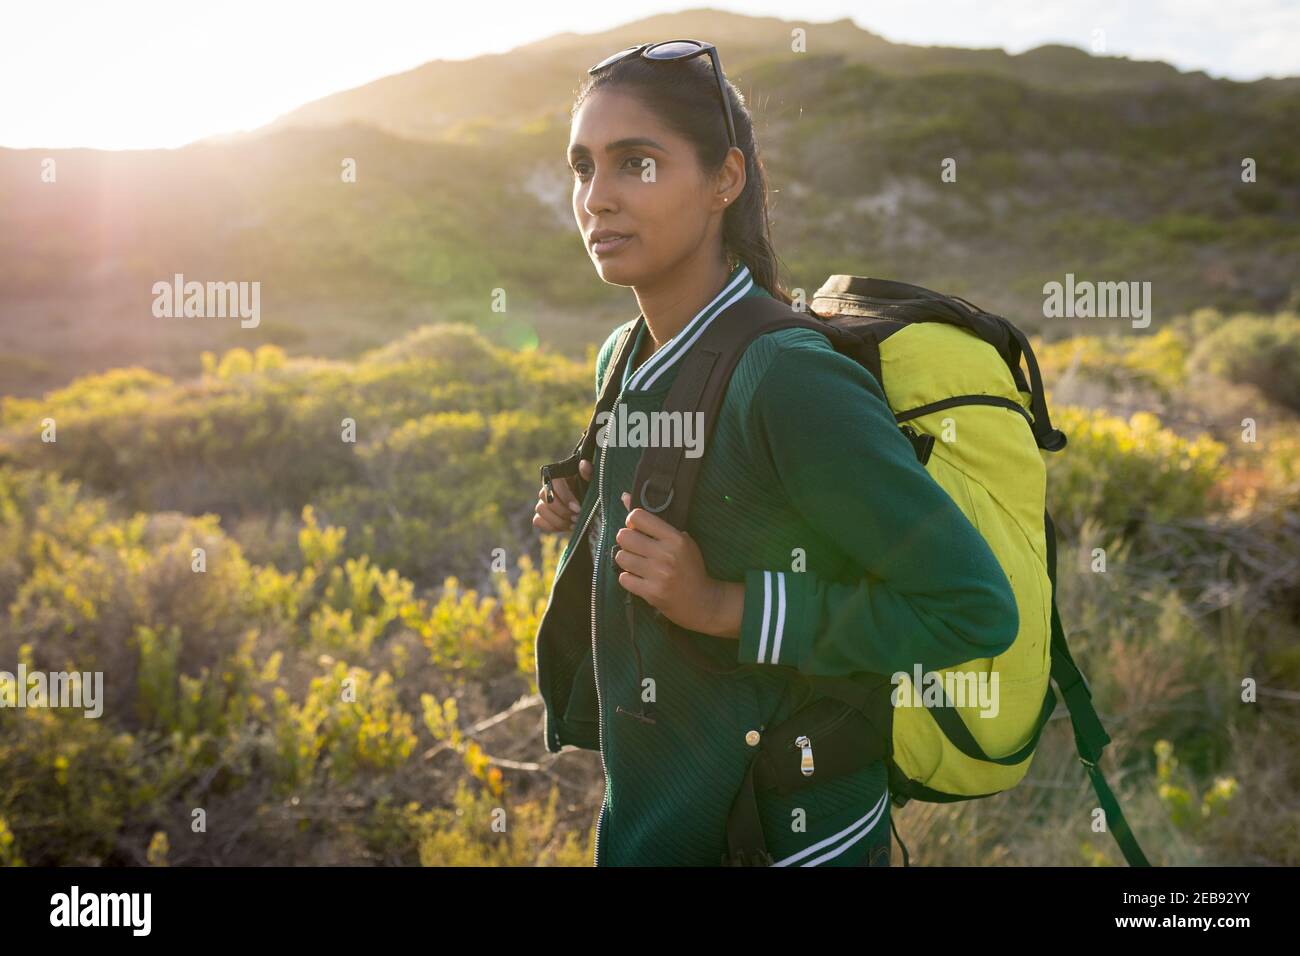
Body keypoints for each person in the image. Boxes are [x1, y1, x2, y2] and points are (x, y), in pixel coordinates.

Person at [532, 40, 1019, 866]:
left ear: (725, 179)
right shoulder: (626, 351)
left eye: (636, 164)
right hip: (659, 820)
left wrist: (724, 605)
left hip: (789, 838)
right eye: (583, 167)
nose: (597, 198)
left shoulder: (787, 378)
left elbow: (972, 610)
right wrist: (591, 507)